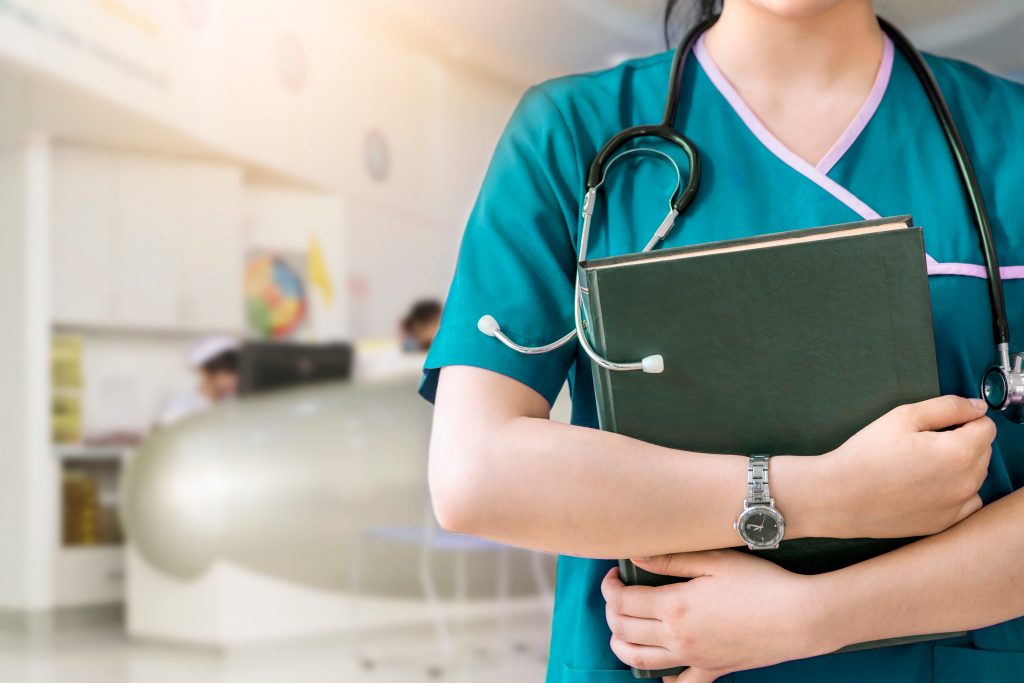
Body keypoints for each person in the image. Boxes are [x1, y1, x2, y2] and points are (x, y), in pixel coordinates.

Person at [421, 1, 1024, 681]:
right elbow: (478, 472)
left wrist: (809, 616)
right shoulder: (571, 133)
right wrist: (826, 492)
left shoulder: (1012, 138)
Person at [158, 335, 239, 427]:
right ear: (203, 371)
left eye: (236, 371)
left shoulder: (237, 403)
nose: (234, 379)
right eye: (227, 372)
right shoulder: (180, 410)